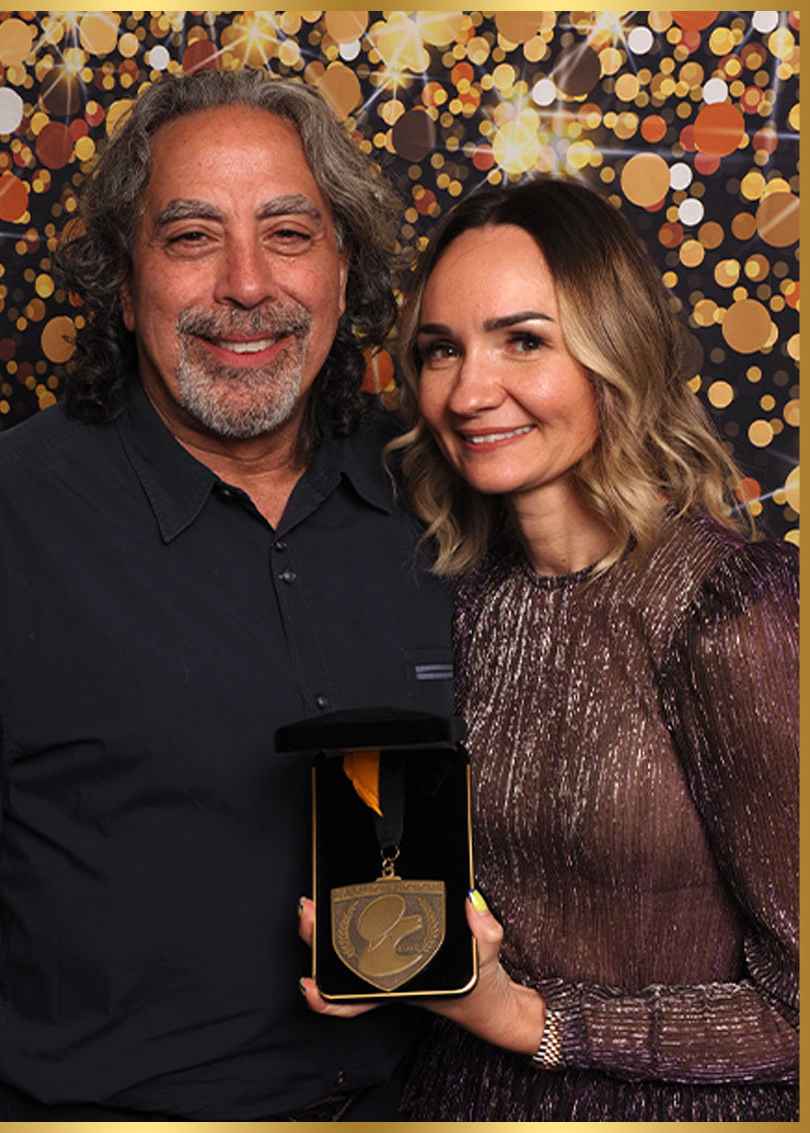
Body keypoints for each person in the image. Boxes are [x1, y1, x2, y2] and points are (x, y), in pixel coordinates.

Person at [0, 68, 455, 1120]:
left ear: (344, 273)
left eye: (290, 233)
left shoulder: (440, 491)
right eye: (192, 236)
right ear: (124, 283)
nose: (247, 284)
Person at [299, 179, 798, 1121]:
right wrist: (391, 956)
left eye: (523, 339)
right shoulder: (455, 594)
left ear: (615, 349)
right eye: (441, 349)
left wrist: (527, 1017)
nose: (470, 391)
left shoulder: (732, 606)